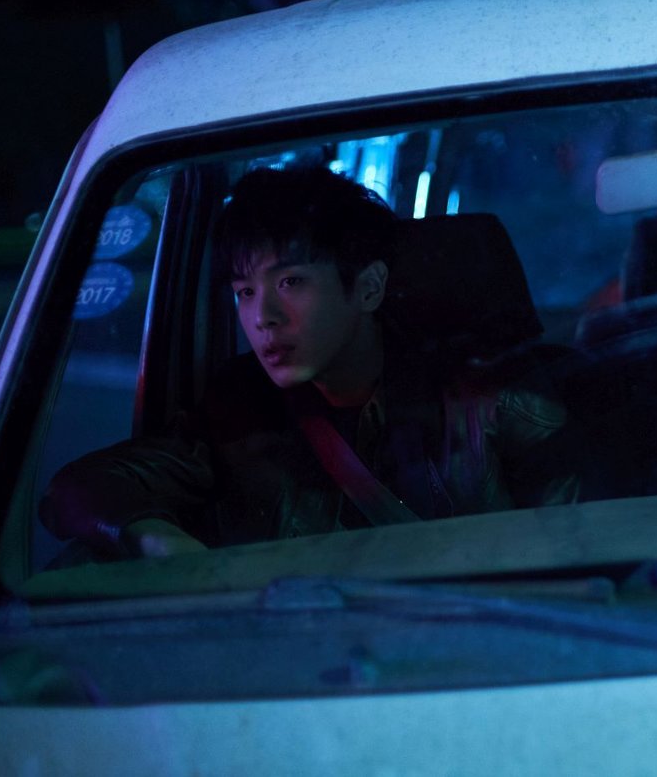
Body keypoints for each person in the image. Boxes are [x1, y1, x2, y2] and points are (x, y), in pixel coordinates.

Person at [41, 165, 578, 559]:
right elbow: (81, 488)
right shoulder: (238, 413)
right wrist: (157, 540)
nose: (263, 318)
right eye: (245, 291)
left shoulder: (498, 402)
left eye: (291, 282)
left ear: (367, 288)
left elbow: (583, 554)